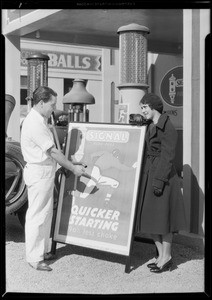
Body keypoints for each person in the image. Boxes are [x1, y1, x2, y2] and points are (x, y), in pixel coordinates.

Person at [20, 86, 86, 272]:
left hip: (44, 172)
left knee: (46, 213)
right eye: (52, 104)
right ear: (41, 103)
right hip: (39, 171)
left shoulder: (41, 120)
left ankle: (43, 251)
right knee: (37, 215)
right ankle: (34, 258)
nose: (53, 109)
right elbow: (53, 151)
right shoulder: (34, 123)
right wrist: (72, 167)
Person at [136, 93, 187, 273]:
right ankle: (160, 254)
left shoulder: (167, 127)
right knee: (150, 218)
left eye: (145, 107)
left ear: (154, 107)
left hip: (163, 177)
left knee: (163, 219)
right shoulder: (150, 126)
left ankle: (166, 257)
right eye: (141, 108)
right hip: (150, 174)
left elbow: (168, 156)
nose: (142, 111)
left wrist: (159, 181)